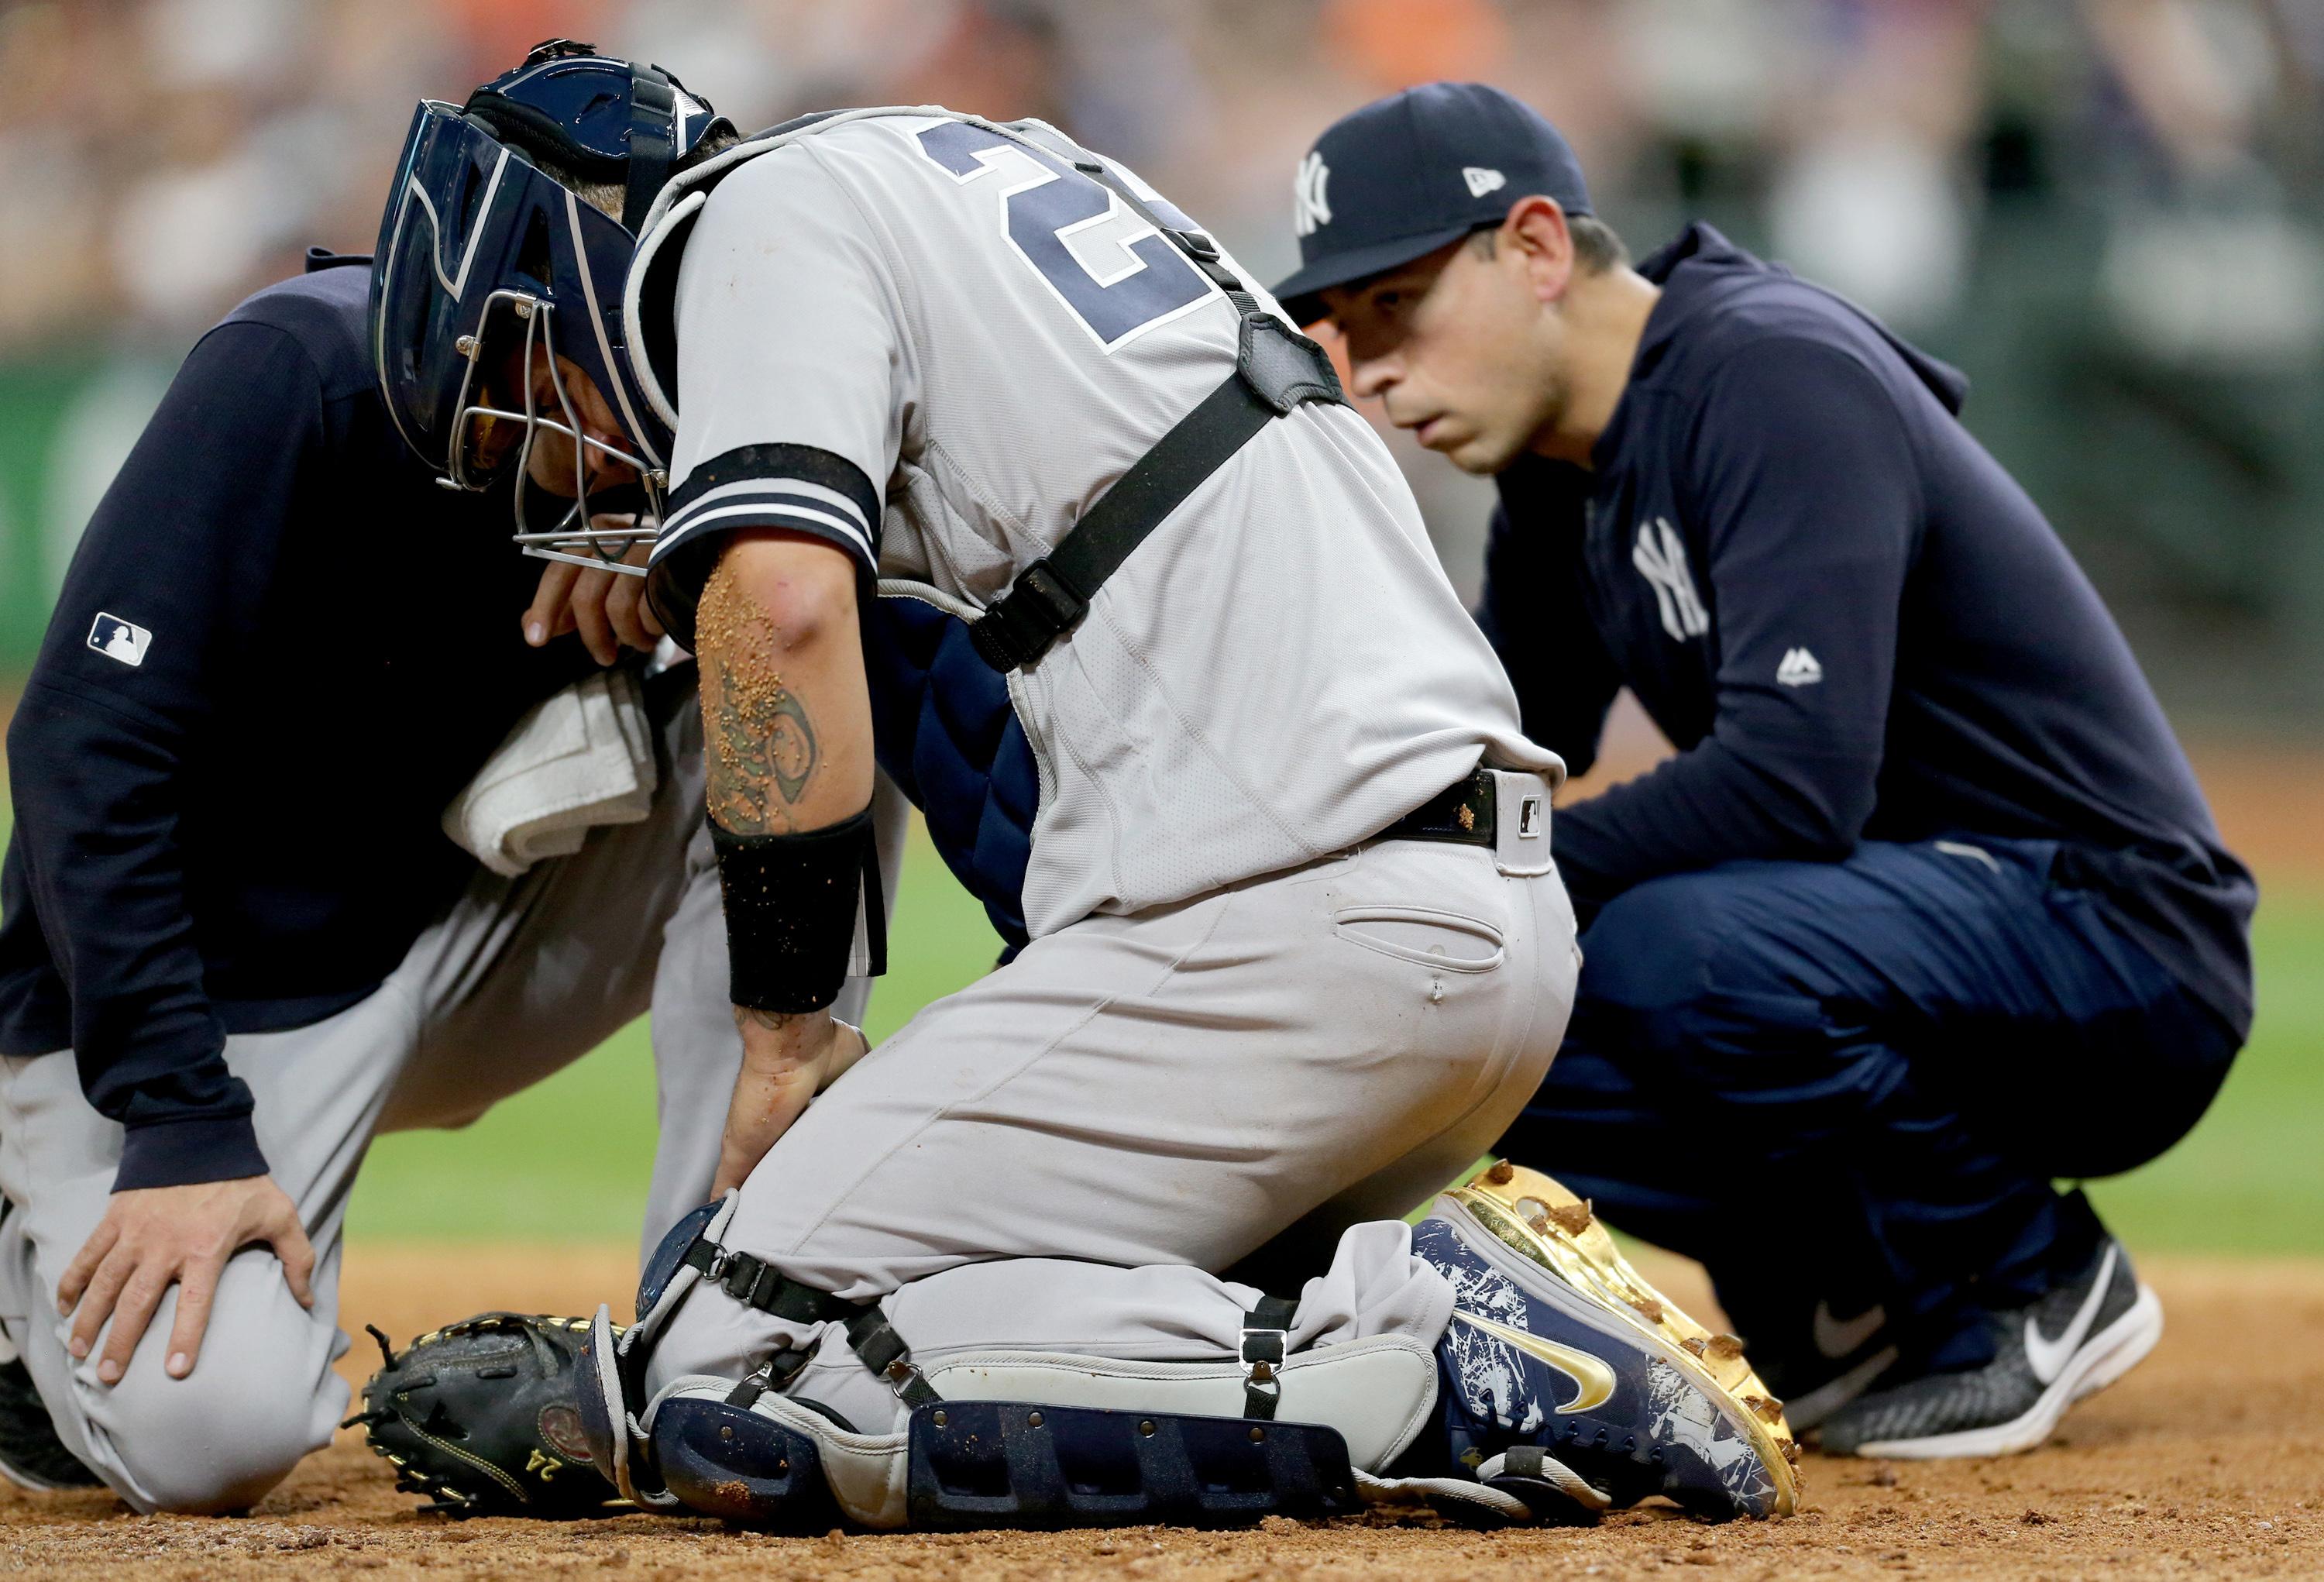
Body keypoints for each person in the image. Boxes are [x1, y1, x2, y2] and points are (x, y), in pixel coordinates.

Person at [373, 91, 1806, 1529]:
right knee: (975, 1300)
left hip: (1300, 932)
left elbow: (787, 606)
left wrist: (784, 1035)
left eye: (523, 380)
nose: (544, 453)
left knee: (731, 1356)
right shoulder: (974, 166)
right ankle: (1331, 1303)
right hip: (1476, 935)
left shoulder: (743, 217)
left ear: (584, 261)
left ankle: (1418, 1342)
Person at [1273, 81, 2256, 1459]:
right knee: (1452, 1023)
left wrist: (1504, 870)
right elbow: (1484, 766)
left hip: (2115, 939)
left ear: (1539, 249)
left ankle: (2027, 1268)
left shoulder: (1769, 368)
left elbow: (1796, 783)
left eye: (1398, 307)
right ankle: (1844, 1290)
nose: (1368, 370)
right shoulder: (1561, 472)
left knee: (1675, 941)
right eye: (1340, 328)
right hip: (1909, 938)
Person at [0, 46, 779, 1511]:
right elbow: (81, 748)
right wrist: (174, 1122)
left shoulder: (641, 473)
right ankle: (19, 1264)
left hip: (442, 942)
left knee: (794, 728)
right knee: (210, 1441)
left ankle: (718, 1313)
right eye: (607, 355)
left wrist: (696, 603)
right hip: (200, 1017)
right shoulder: (290, 372)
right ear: (495, 307)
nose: (638, 410)